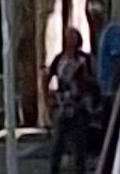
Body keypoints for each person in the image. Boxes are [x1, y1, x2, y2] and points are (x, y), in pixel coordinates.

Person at [48, 27, 96, 174]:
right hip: (62, 104)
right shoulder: (59, 59)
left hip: (78, 104)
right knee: (58, 142)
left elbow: (92, 81)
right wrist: (49, 97)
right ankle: (54, 169)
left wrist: (83, 80)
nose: (71, 41)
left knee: (79, 143)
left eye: (73, 38)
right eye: (68, 38)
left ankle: (80, 169)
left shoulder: (83, 59)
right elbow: (48, 76)